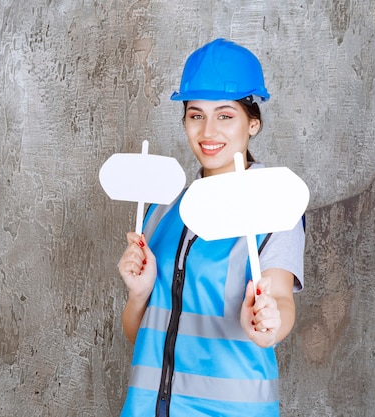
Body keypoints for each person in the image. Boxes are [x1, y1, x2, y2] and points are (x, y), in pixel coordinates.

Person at [117, 38, 305, 417]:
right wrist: (138, 295)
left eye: (225, 115)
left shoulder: (275, 204)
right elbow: (145, 338)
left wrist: (270, 323)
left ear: (252, 122)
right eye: (195, 115)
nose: (208, 132)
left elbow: (280, 302)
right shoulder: (161, 210)